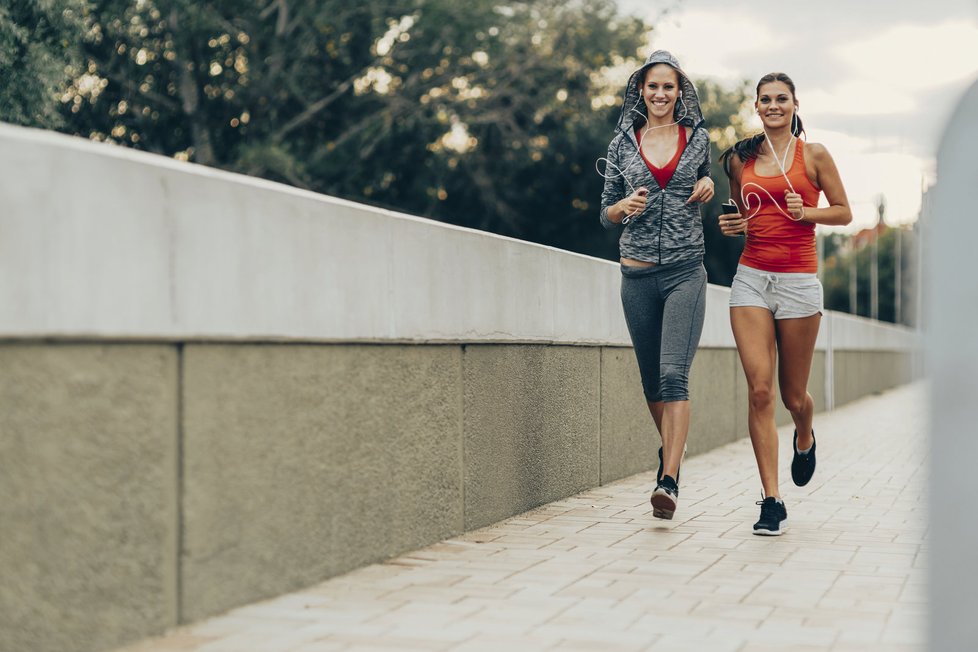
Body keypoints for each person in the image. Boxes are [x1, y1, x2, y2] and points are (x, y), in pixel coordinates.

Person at [719, 72, 852, 535]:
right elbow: (745, 213)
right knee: (760, 391)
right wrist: (735, 225)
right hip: (752, 280)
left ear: (795, 104)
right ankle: (771, 501)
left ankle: (804, 432)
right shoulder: (742, 158)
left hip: (798, 283)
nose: (773, 105)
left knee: (794, 396)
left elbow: (843, 211)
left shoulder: (812, 155)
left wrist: (806, 212)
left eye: (781, 99)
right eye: (765, 99)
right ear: (756, 106)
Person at [598, 50, 715, 520]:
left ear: (680, 90)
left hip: (686, 269)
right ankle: (671, 453)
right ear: (640, 91)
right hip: (636, 272)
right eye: (653, 87)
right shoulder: (623, 142)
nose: (661, 94)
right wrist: (622, 206)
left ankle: (668, 479)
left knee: (673, 375)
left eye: (669, 86)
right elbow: (604, 213)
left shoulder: (698, 138)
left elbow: (705, 181)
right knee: (651, 383)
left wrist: (707, 182)